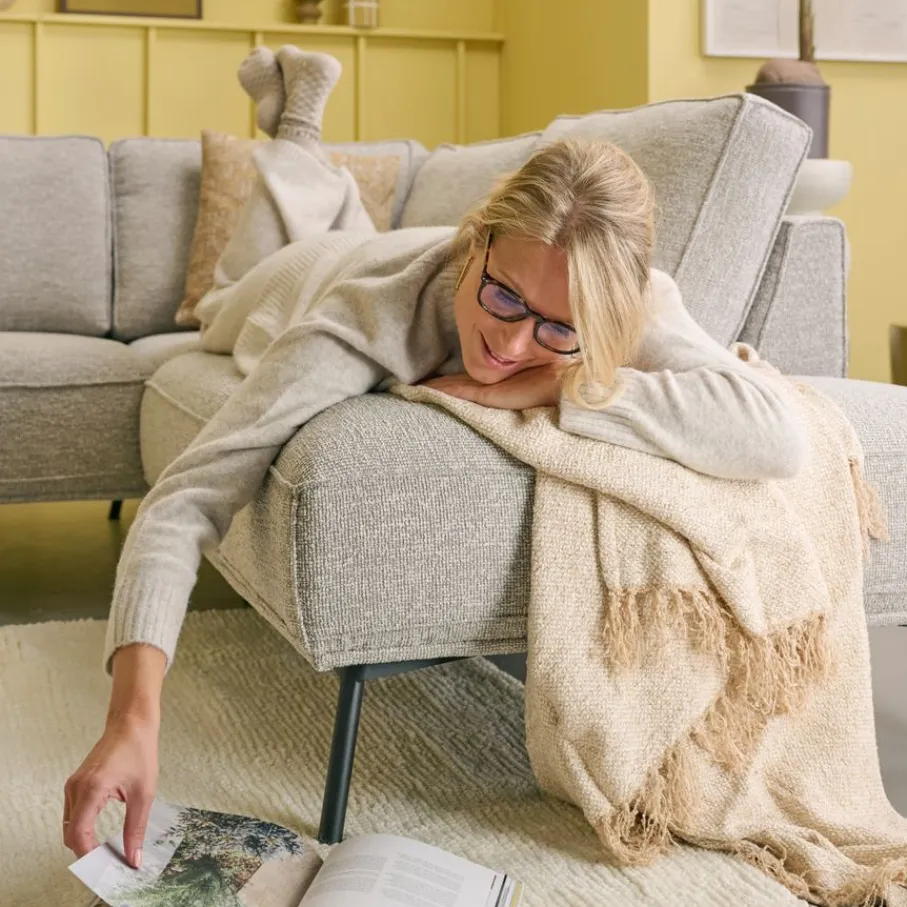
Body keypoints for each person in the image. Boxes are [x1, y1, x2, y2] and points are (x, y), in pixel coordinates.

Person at [62, 46, 810, 868]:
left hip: (389, 246)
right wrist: (131, 719)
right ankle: (293, 137)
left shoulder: (614, 298)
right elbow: (186, 499)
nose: (510, 345)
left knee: (360, 234)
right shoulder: (357, 325)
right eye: (503, 296)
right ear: (478, 239)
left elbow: (775, 432)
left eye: (556, 329)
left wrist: (557, 385)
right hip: (298, 282)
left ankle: (303, 140)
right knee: (219, 294)